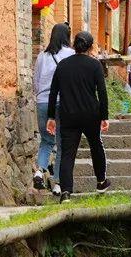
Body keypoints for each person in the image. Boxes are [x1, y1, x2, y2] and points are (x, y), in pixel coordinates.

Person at [46, 31, 110, 201]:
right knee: (96, 146)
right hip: (91, 114)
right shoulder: (95, 65)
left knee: (67, 153)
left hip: (68, 115)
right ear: (90, 47)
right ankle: (101, 182)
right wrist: (104, 116)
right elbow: (102, 92)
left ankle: (66, 192)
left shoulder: (63, 65)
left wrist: (51, 117)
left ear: (74, 45)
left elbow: (53, 93)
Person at [32, 23, 74, 194]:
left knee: (46, 141)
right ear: (67, 36)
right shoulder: (71, 54)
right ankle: (57, 184)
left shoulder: (42, 55)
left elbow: (36, 81)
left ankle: (39, 171)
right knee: (62, 144)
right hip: (62, 102)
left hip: (42, 102)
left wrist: (41, 95)